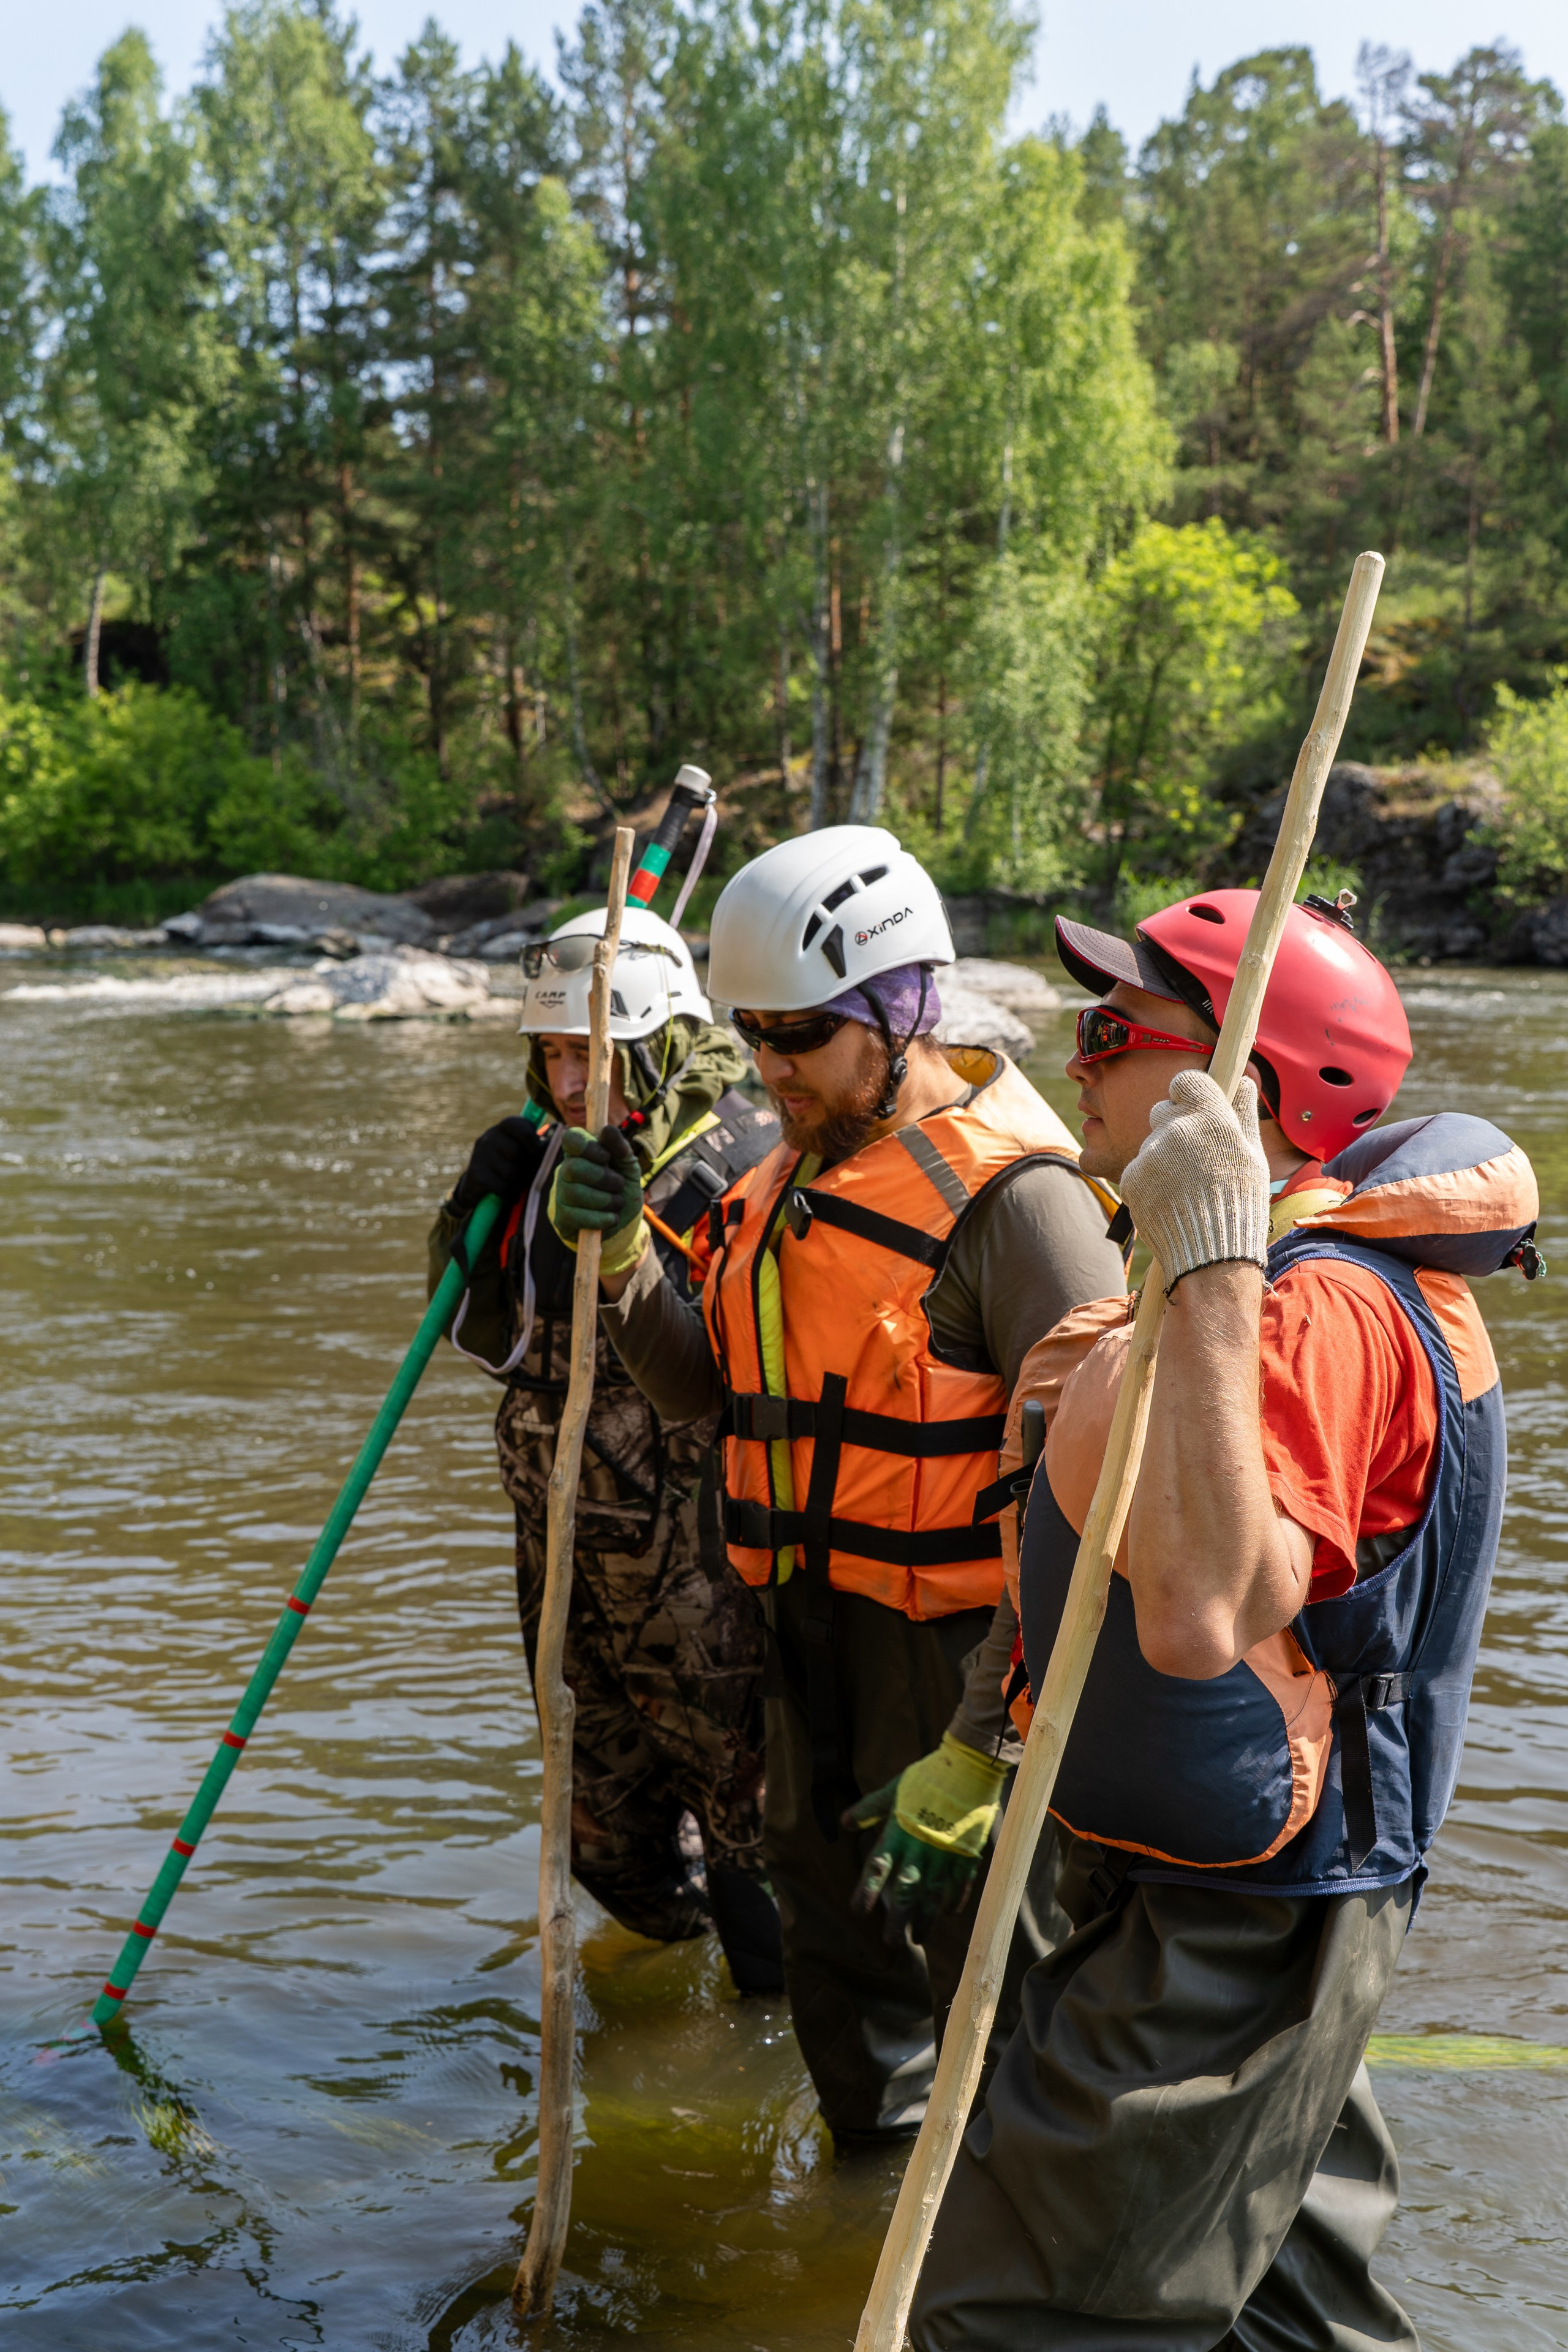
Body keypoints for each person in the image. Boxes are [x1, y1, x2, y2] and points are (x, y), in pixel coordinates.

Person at [908, 887, 1542, 2350]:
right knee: (1290, 2317)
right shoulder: (1232, 1281)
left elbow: (1202, 1609)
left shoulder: (1311, 1306)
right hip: (1223, 1874)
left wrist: (1209, 1252)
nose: (1076, 1060)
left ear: (1233, 1086)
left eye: (1112, 1029)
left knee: (1006, 2317)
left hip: (1251, 1912)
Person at [549, 826, 1129, 2143]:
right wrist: (622, 1261)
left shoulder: (1021, 1207)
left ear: (898, 1010)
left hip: (961, 1663)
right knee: (840, 1974)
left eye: (801, 1035)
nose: (769, 1067)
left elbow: (1099, 1508)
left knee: (998, 1995)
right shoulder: (774, 1181)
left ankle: (1004, 2281)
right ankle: (850, 2244)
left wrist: (984, 1744)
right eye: (752, 1032)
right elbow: (704, 1389)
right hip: (803, 1642)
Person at [429, 902, 787, 1995]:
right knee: (604, 1838)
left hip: (705, 1580)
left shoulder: (748, 1158)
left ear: (658, 1043)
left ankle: (777, 2047)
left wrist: (639, 1245)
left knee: (750, 1837)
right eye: (550, 1054)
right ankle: (671, 2016)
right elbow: (485, 1335)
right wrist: (472, 1218)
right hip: (560, 1563)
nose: (569, 1079)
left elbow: (750, 1375)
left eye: (589, 1052)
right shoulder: (547, 1154)